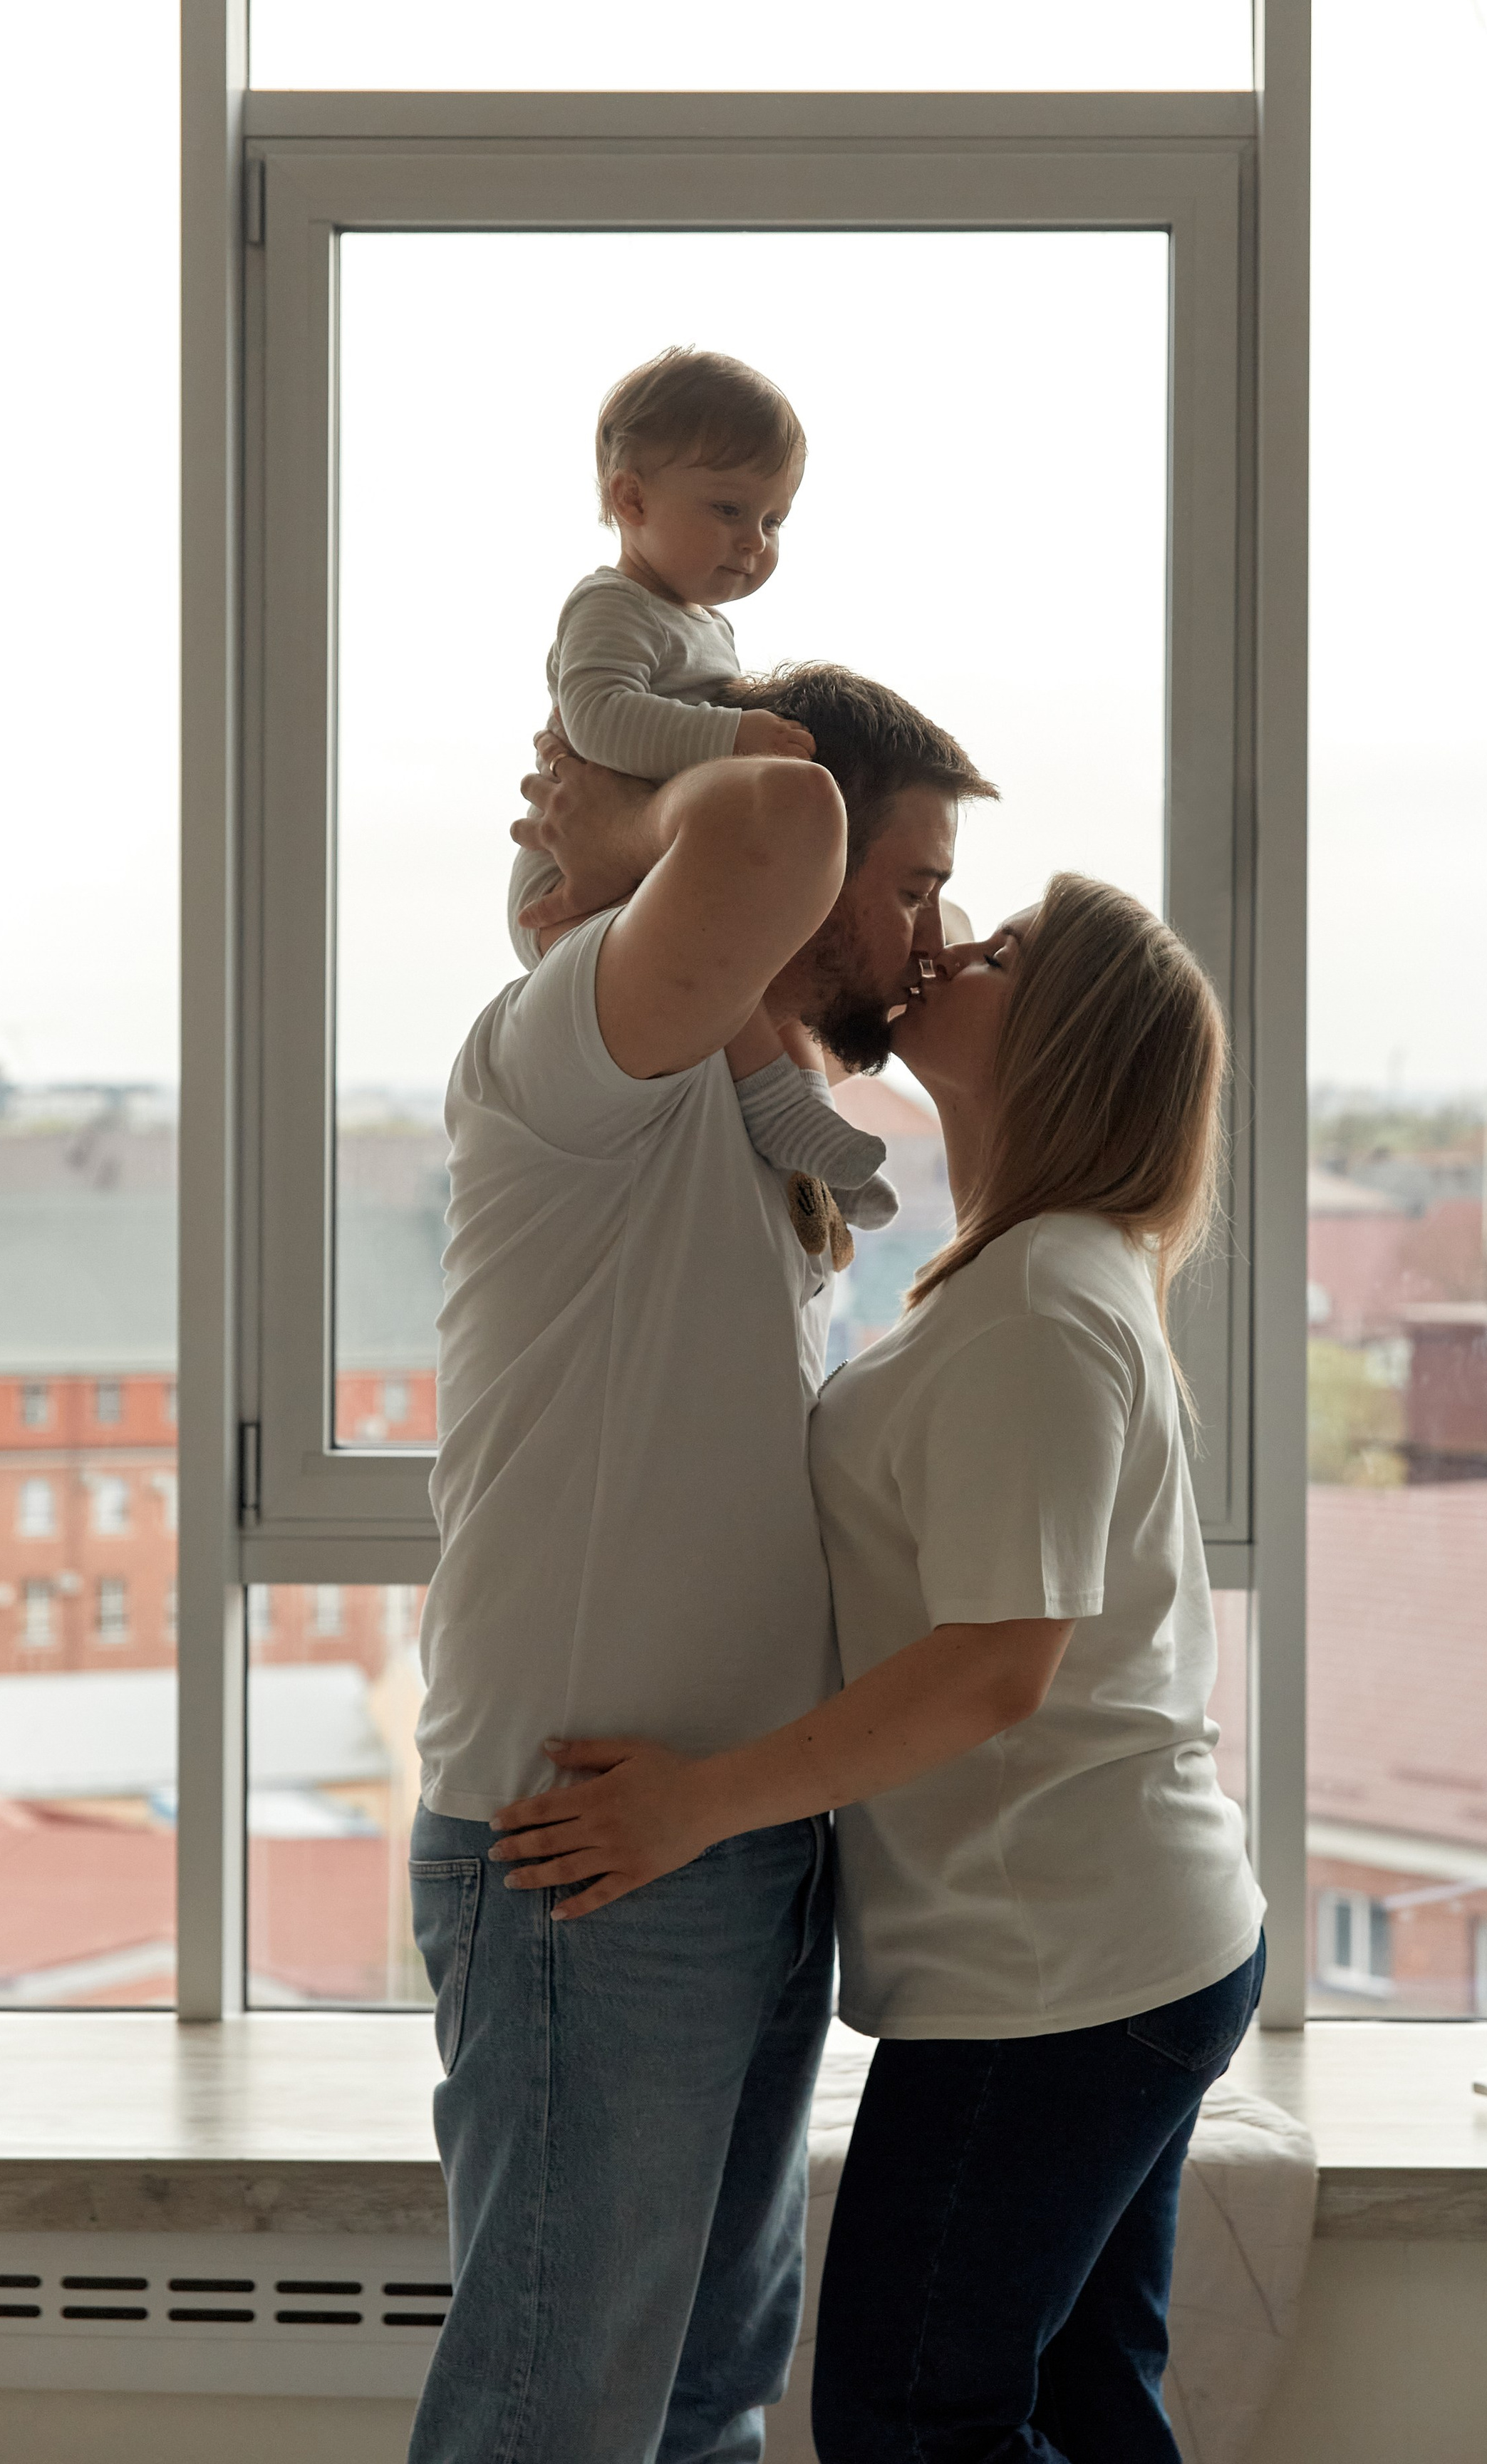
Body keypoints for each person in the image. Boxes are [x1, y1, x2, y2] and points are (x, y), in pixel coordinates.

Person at [489, 872, 1265, 2463]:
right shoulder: (1027, 1273)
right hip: (1109, 1948)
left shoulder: (1041, 1302)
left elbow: (992, 1669)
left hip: (1060, 1974)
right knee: (1082, 2403)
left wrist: (692, 1806)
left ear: (1061, 1043)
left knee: (915, 2417)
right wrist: (623, 937)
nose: (946, 946)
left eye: (997, 955)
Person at [407, 663, 995, 2464]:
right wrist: (627, 812)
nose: (930, 933)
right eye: (908, 882)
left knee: (700, 2398)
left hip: (721, 1831)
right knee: (553, 2416)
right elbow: (764, 821)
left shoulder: (738, 1108)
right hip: (588, 1847)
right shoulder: (584, 1034)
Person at [508, 341, 896, 1228]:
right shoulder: (609, 605)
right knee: (729, 984)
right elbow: (603, 720)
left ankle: (813, 1127)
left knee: (755, 969)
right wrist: (734, 738)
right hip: (574, 886)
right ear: (630, 498)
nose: (752, 544)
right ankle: (783, 1112)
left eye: (773, 522)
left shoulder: (702, 626)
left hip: (647, 868)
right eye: (729, 509)